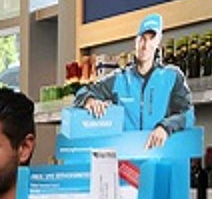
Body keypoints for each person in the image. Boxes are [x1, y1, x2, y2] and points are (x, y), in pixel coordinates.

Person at [74, 12, 194, 149]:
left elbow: (187, 114)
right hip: (126, 160)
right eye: (142, 38)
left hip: (160, 156)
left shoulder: (172, 77)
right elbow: (82, 92)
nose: (145, 45)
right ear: (135, 41)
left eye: (151, 38)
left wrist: (165, 127)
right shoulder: (119, 79)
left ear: (158, 41)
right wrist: (90, 100)